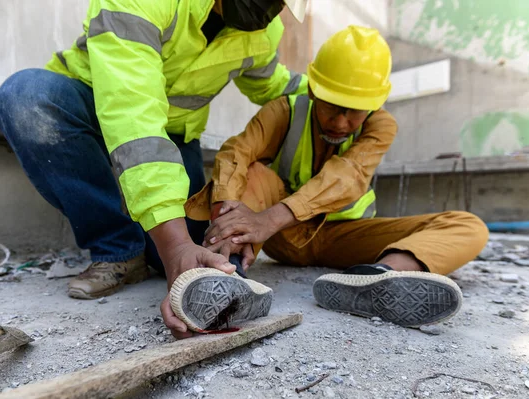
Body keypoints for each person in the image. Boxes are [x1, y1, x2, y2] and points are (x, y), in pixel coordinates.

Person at [0, 0, 309, 338]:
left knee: (189, 252)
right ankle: (118, 249)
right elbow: (133, 111)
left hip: (173, 134)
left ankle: (159, 254)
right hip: (92, 103)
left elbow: (270, 83)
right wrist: (174, 245)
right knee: (27, 100)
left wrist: (335, 98)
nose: (271, 9)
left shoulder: (263, 28)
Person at [174, 26, 489, 332]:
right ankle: (228, 276)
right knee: (249, 173)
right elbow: (236, 152)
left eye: (355, 112)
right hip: (283, 237)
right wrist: (226, 206)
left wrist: (267, 219)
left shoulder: (380, 126)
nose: (341, 122)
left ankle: (378, 277)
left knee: (468, 226)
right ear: (313, 91)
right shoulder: (283, 112)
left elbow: (346, 177)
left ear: (375, 104)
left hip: (342, 237)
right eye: (332, 108)